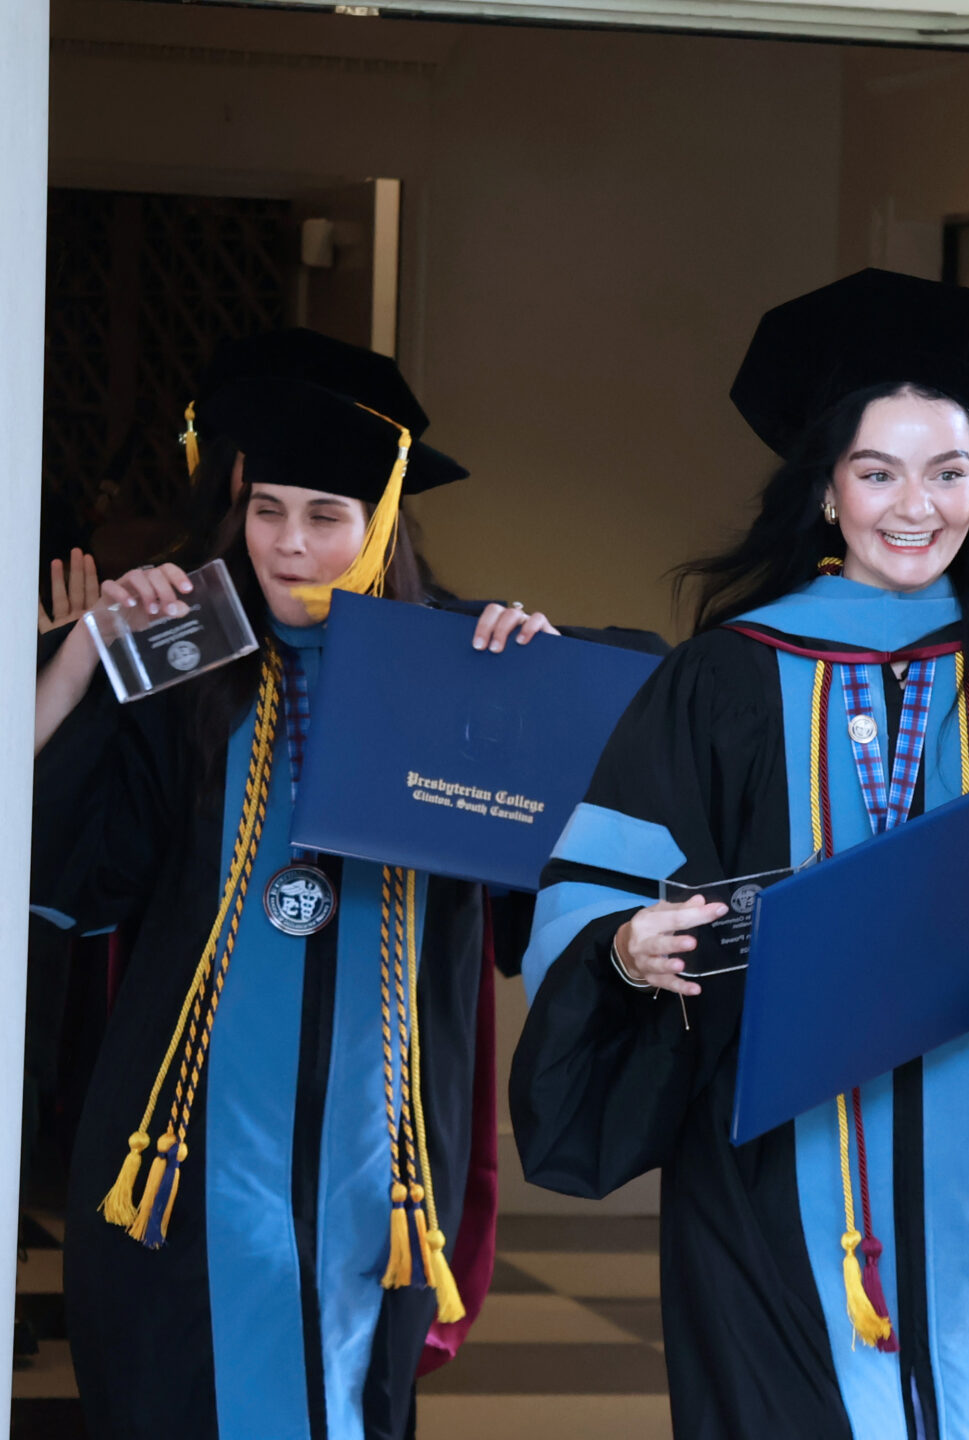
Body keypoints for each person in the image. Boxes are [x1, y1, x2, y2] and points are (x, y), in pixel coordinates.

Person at [509, 269, 969, 1439]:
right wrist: (627, 948)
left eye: (947, 470)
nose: (913, 505)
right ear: (824, 492)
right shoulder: (720, 682)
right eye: (876, 472)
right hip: (760, 1172)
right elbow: (591, 902)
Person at [34, 338, 552, 1439]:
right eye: (268, 509)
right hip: (180, 1144)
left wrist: (533, 697)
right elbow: (54, 845)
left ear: (382, 523)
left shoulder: (455, 666)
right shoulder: (191, 649)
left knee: (347, 1380)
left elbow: (538, 886)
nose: (291, 544)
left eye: (327, 515)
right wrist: (83, 654)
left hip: (381, 1141)